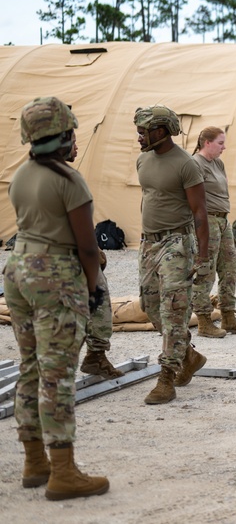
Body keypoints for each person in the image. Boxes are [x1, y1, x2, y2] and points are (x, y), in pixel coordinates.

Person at [4, 97, 110, 500]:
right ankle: (63, 472)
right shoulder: (69, 181)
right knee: (58, 373)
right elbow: (87, 247)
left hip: (19, 273)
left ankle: (35, 463)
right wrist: (94, 286)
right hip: (55, 277)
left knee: (31, 367)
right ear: (64, 135)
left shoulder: (21, 175)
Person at [134, 105, 210, 405]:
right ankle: (188, 355)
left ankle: (167, 377)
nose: (139, 137)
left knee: (173, 310)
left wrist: (203, 258)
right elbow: (148, 199)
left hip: (177, 244)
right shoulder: (143, 160)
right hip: (149, 244)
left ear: (162, 131)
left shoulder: (186, 165)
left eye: (144, 131)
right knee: (150, 306)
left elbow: (200, 212)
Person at [65, 138, 124, 380]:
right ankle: (93, 357)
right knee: (96, 300)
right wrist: (92, 255)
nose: (77, 147)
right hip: (70, 255)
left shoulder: (32, 174)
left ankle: (93, 357)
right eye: (72, 142)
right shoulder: (67, 178)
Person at [190, 127, 236, 338]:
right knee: (205, 270)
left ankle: (228, 316)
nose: (224, 147)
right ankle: (204, 320)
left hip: (222, 220)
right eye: (220, 143)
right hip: (206, 220)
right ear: (207, 143)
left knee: (229, 268)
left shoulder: (218, 164)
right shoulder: (195, 164)